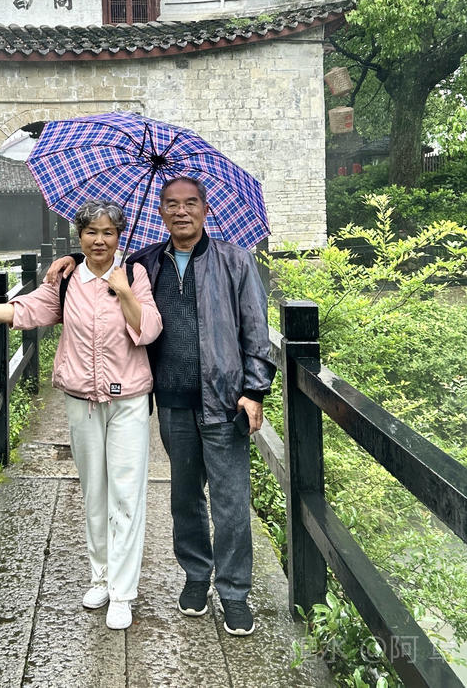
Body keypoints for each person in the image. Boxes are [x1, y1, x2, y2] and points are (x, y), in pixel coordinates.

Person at [46, 176, 274, 636]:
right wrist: (70, 259)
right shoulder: (146, 262)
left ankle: (233, 592)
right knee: (184, 496)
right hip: (171, 400)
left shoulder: (235, 260)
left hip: (224, 399)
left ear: (206, 209)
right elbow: (102, 260)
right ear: (161, 212)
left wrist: (255, 391)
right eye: (171, 204)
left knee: (231, 500)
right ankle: (196, 576)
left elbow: (256, 328)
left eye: (190, 203)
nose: (180, 211)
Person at [0, 200, 162, 631]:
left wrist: (125, 292)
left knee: (126, 495)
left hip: (128, 400)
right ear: (79, 236)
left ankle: (123, 592)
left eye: (108, 232)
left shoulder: (135, 275)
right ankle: (100, 576)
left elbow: (148, 330)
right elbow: (24, 310)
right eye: (91, 232)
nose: (99, 240)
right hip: (81, 399)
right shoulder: (67, 279)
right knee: (93, 491)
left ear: (120, 237)